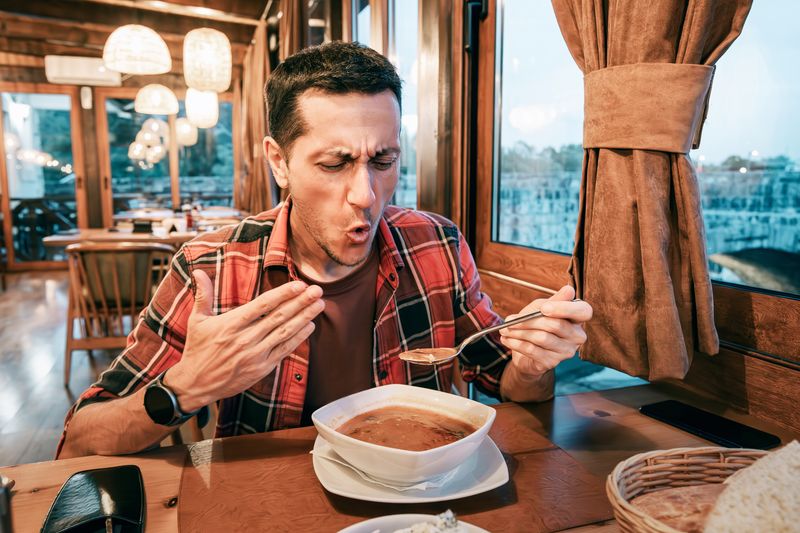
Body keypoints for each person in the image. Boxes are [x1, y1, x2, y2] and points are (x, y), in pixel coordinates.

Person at [58, 41, 592, 459]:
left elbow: (511, 380)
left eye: (383, 161)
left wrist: (535, 360)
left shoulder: (437, 243)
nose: (365, 196)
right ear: (279, 161)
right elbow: (81, 439)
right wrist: (184, 388)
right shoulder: (213, 267)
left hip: (423, 496)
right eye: (334, 164)